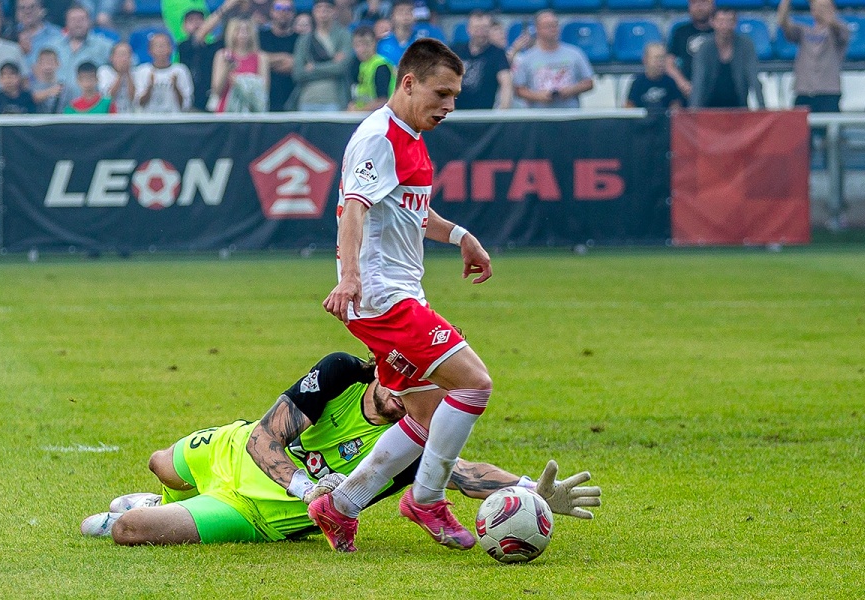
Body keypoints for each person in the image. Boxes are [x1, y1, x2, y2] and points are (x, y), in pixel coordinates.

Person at [79, 352, 601, 544]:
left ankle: (157, 511)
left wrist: (532, 491)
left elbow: (463, 474)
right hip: (234, 448)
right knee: (160, 463)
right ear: (386, 364)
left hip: (254, 514)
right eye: (408, 376)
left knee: (128, 530)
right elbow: (265, 437)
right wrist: (308, 488)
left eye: (428, 386)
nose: (412, 393)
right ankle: (165, 496)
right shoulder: (341, 373)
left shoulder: (415, 439)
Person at [310, 38, 497, 554]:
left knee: (425, 412)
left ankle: (340, 505)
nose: (450, 106)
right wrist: (350, 278)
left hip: (394, 294)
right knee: (474, 385)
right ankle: (427, 499)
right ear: (409, 83)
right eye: (442, 93)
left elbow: (413, 213)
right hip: (384, 300)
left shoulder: (411, 136)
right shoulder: (379, 137)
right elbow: (354, 207)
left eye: (455, 96)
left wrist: (461, 237)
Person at [512, 9, 594, 109]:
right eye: (548, 26)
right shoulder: (527, 58)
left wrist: (571, 90)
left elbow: (589, 82)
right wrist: (537, 96)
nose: (553, 29)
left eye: (555, 25)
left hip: (570, 113)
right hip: (539, 114)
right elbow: (518, 89)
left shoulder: (575, 53)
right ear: (537, 29)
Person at [777, 0, 849, 113]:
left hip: (828, 92)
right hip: (804, 91)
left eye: (823, 7)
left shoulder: (840, 30)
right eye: (816, 7)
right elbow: (783, 23)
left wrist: (829, 18)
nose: (819, 10)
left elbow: (840, 32)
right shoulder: (803, 31)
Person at [689, 8, 764, 109]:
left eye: (729, 21)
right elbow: (699, 80)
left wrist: (762, 108)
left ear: (735, 23)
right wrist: (693, 110)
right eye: (720, 22)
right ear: (712, 22)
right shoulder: (705, 48)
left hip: (738, 106)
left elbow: (753, 78)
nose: (725, 26)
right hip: (708, 106)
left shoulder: (746, 45)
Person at [290, 0, 351, 111]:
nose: (323, 11)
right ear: (313, 12)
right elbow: (298, 73)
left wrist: (314, 67)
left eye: (327, 8)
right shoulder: (304, 40)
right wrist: (332, 63)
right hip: (307, 100)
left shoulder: (344, 36)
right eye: (319, 8)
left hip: (334, 100)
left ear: (334, 11)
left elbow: (341, 68)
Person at [49, 5, 113, 99]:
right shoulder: (53, 46)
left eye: (82, 19)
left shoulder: (105, 46)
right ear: (66, 23)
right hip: (57, 104)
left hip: (92, 105)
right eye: (73, 20)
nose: (77, 23)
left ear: (90, 21)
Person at [451, 10, 511, 110]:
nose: (480, 33)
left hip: (484, 114)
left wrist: (503, 112)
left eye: (484, 28)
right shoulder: (455, 51)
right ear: (468, 29)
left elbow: (506, 83)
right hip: (456, 113)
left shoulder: (498, 53)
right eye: (477, 28)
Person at [211, 18, 269, 112]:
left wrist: (240, 82)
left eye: (247, 30)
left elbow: (263, 90)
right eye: (238, 30)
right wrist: (227, 69)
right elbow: (216, 91)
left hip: (252, 111)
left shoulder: (261, 57)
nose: (243, 34)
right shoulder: (222, 55)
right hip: (225, 110)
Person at [178, 7, 225, 112]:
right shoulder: (184, 46)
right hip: (192, 105)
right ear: (184, 27)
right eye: (191, 20)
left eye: (200, 19)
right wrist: (224, 9)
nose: (196, 23)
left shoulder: (214, 48)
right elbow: (197, 38)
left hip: (213, 103)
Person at [667, 0, 715, 103]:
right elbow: (669, 63)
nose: (699, 7)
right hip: (687, 91)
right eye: (694, 3)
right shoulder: (680, 31)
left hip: (716, 91)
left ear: (712, 4)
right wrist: (683, 84)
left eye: (703, 2)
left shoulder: (720, 32)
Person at [134, 32, 194, 112]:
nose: (161, 49)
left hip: (175, 117)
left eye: (164, 45)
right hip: (149, 118)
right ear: (149, 50)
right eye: (157, 46)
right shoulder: (142, 71)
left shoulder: (180, 70)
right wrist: (150, 86)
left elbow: (186, 105)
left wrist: (176, 87)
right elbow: (138, 103)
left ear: (171, 48)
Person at [258, 0, 297, 112]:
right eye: (279, 8)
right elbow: (255, 59)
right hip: (265, 98)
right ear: (271, 11)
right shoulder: (260, 36)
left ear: (293, 13)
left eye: (288, 9)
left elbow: (297, 64)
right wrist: (284, 57)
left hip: (293, 99)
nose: (283, 12)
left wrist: (267, 62)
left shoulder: (300, 39)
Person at [625, 42, 685, 111]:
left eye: (662, 59)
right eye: (656, 59)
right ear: (645, 60)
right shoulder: (638, 82)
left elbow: (676, 106)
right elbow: (629, 106)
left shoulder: (670, 82)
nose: (660, 63)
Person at [348, 25, 393, 112]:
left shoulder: (381, 66)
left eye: (366, 44)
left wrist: (359, 111)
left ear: (374, 43)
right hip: (364, 115)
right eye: (357, 45)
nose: (361, 49)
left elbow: (383, 101)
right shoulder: (357, 65)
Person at [13, 0, 63, 66]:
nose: (27, 11)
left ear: (42, 10)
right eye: (22, 8)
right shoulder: (10, 35)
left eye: (32, 7)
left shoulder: (57, 34)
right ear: (17, 12)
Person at [97, 42, 134, 112]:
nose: (124, 59)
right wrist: (120, 74)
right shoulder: (104, 71)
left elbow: (134, 98)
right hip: (110, 114)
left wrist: (127, 73)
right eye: (121, 55)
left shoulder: (135, 73)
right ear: (111, 57)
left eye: (127, 55)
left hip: (130, 114)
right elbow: (108, 97)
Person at [30, 47, 66, 112]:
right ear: (38, 65)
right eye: (44, 63)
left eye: (51, 62)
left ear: (58, 64)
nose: (47, 66)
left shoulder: (66, 88)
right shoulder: (31, 88)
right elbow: (32, 99)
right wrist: (49, 92)